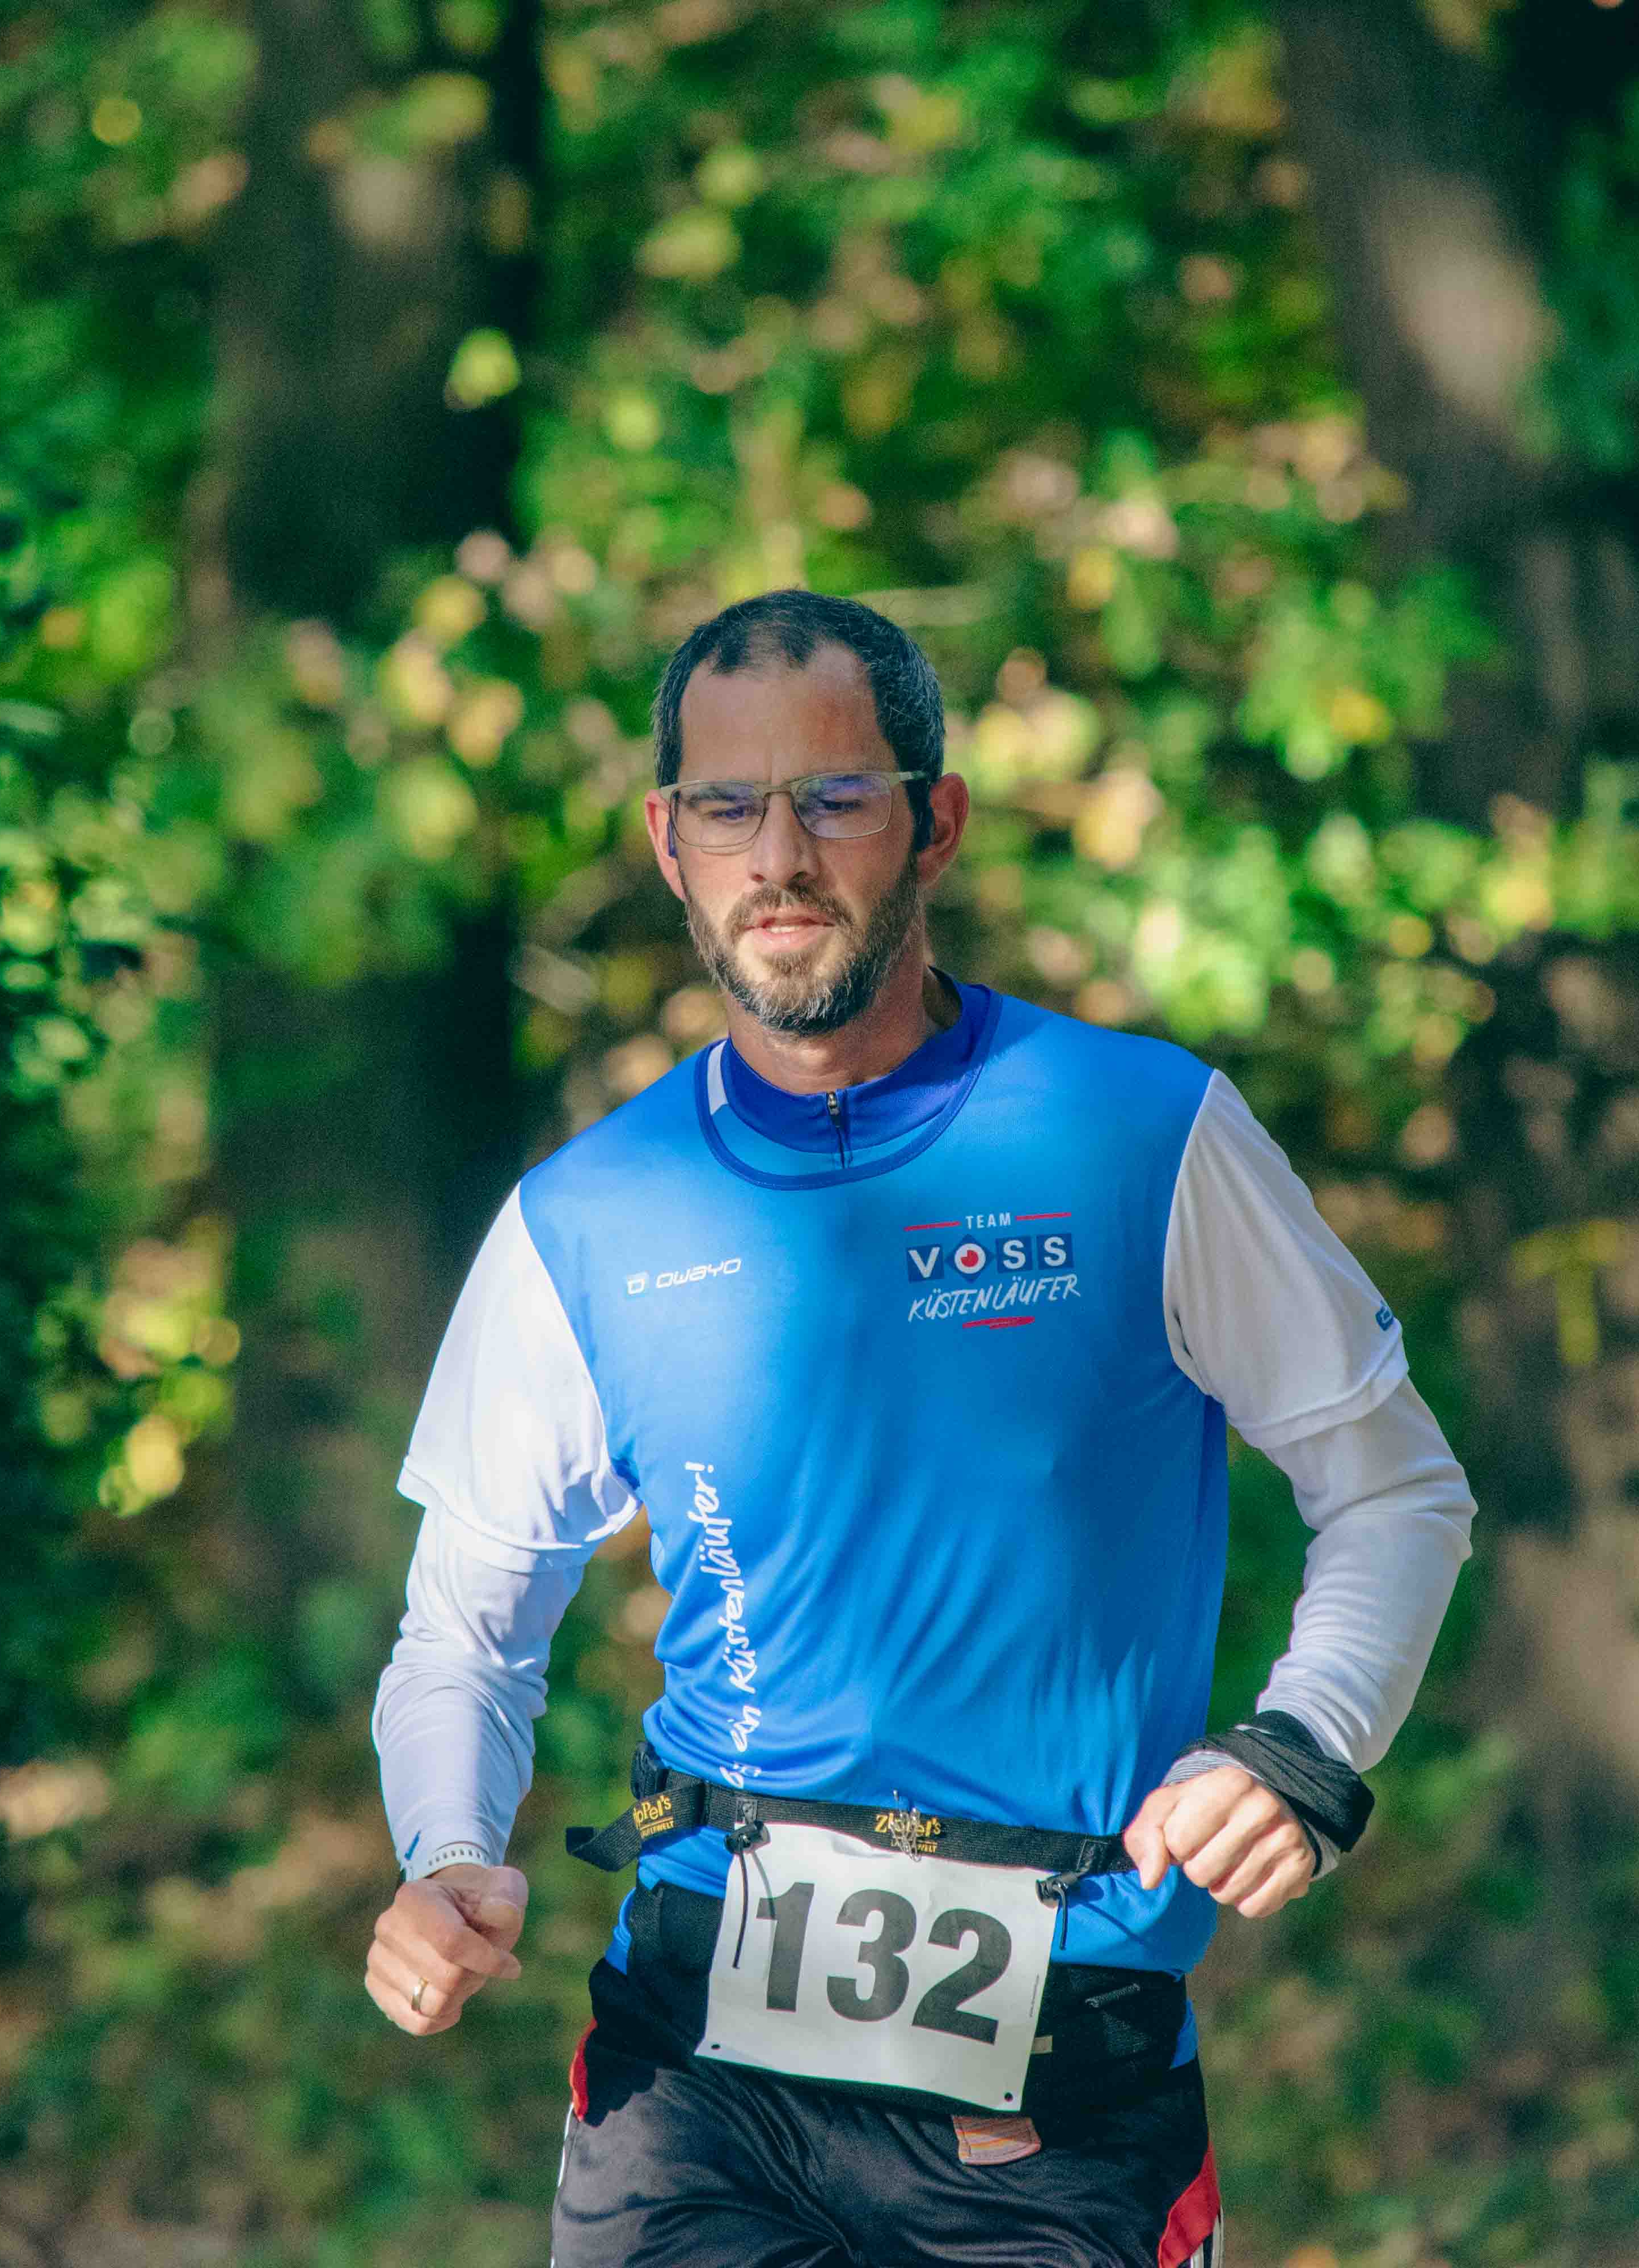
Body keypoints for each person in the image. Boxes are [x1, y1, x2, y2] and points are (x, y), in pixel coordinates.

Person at [363, 589, 1479, 2266]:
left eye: (837, 799)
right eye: (728, 807)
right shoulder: (588, 1215)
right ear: (668, 843)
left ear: (934, 822)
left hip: (1055, 2094)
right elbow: (463, 1630)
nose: (780, 857)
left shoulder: (1140, 1133)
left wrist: (1301, 1746)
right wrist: (448, 1853)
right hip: (697, 2069)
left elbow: (1397, 1488)